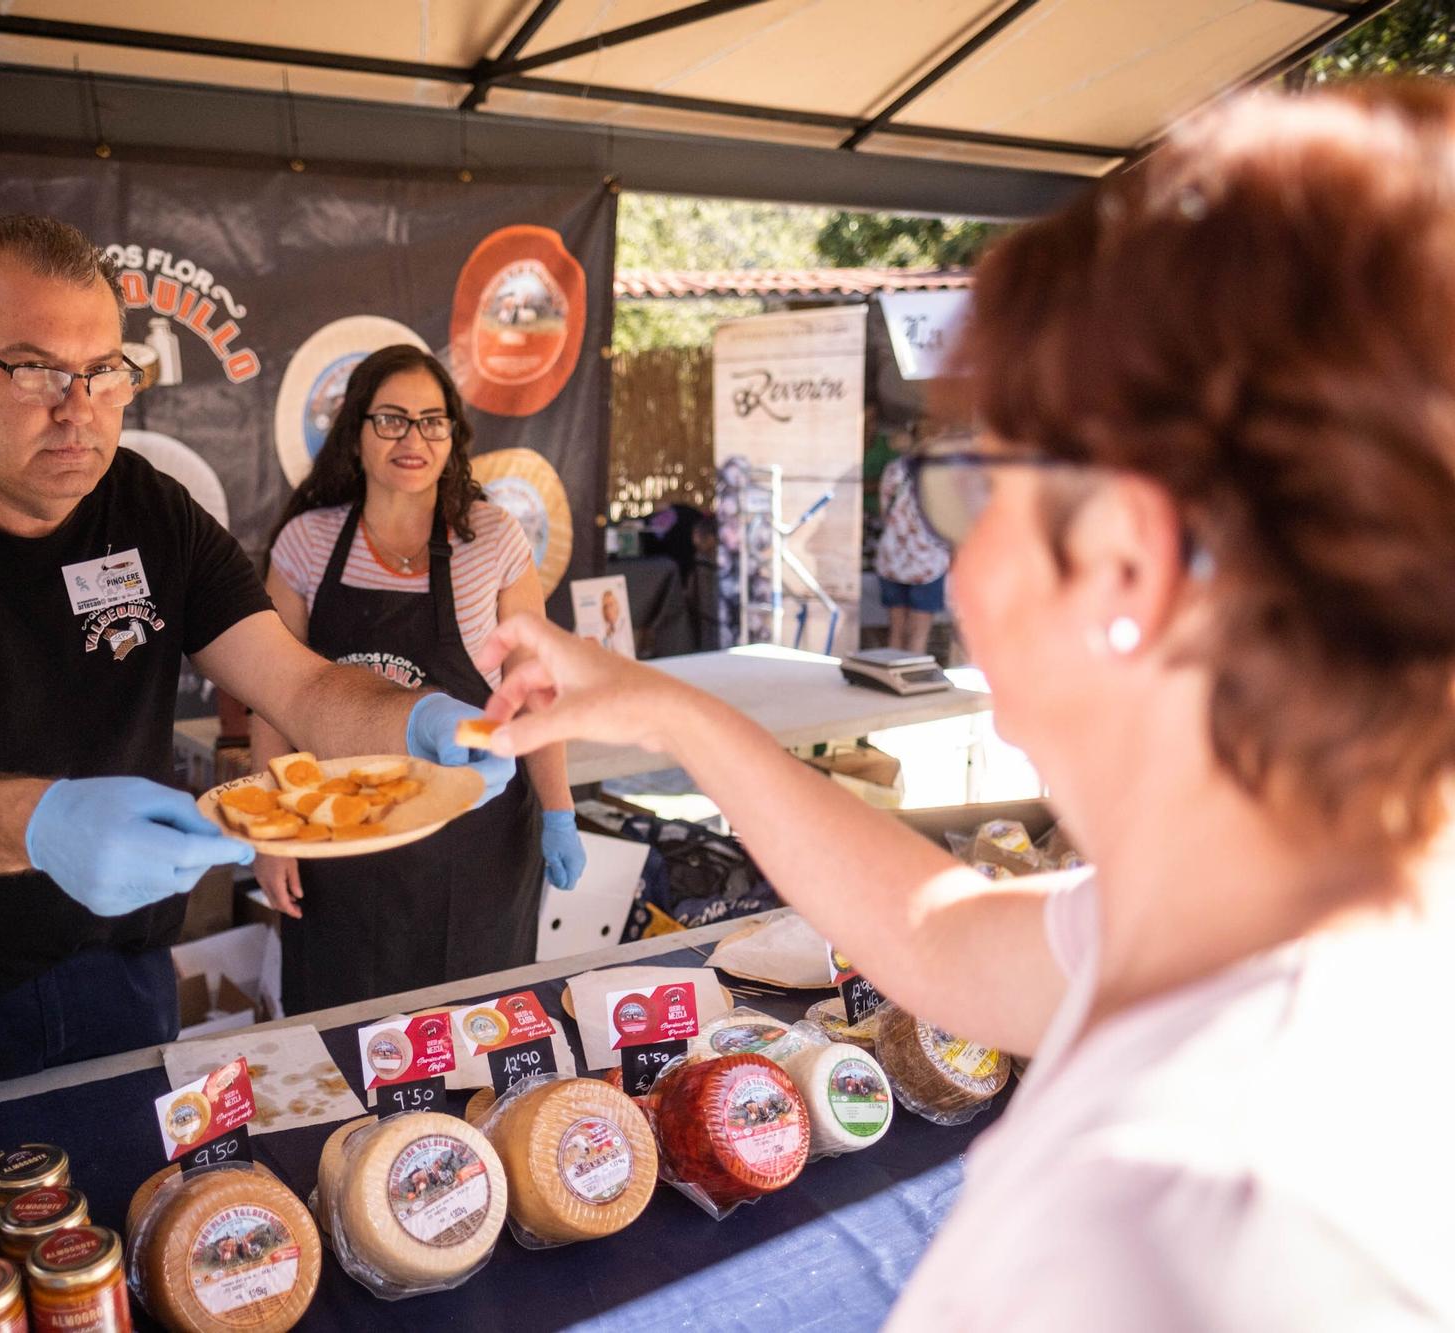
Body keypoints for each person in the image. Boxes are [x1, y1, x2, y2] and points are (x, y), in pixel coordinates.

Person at [474, 84, 1454, 1329]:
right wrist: (666, 713)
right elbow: (941, 934)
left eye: (965, 486)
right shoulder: (1286, 916)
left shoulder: (1169, 1219)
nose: (947, 563)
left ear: (1121, 566)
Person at [0, 216, 511, 1083]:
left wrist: (414, 720)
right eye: (37, 369)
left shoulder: (150, 510)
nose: (76, 411)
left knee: (141, 1210)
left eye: (105, 374)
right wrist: (41, 825)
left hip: (119, 971)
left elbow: (299, 685)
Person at [253, 344, 584, 1012]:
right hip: (340, 839)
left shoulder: (492, 539)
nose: (414, 438)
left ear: (452, 437)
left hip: (474, 848)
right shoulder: (307, 544)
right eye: (393, 419)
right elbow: (271, 701)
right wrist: (271, 831)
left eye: (432, 421)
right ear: (357, 433)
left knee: (470, 1039)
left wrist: (559, 811)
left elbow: (532, 692)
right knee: (344, 1038)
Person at [874, 423, 950, 656]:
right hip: (927, 561)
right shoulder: (942, 474)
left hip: (892, 557)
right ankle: (910, 684)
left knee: (896, 630)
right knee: (918, 634)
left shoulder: (894, 469)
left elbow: (883, 510)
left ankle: (890, 681)